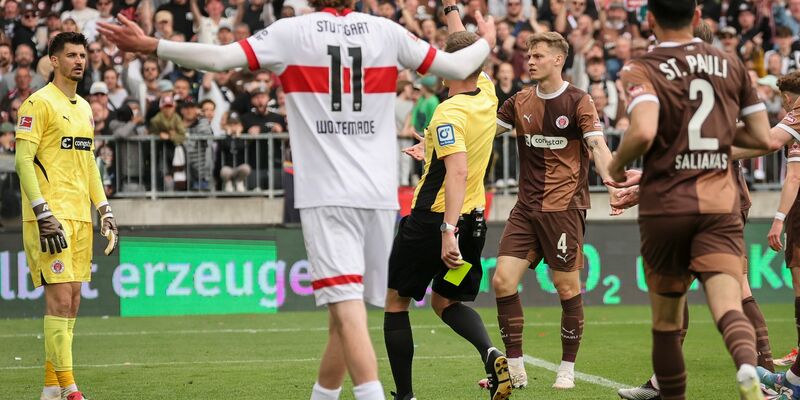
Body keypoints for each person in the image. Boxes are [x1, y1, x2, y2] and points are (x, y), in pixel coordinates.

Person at [99, 2, 496, 399]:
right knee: (344, 313)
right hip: (379, 196)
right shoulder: (385, 31)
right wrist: (487, 41)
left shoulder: (293, 32)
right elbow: (459, 66)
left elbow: (220, 58)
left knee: (347, 305)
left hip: (328, 194)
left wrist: (152, 44)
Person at [607, 1, 772, 399]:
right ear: (698, 18)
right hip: (720, 204)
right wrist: (713, 142)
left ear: (650, 19)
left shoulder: (641, 67)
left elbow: (644, 132)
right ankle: (749, 368)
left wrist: (616, 164)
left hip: (667, 207)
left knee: (666, 322)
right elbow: (763, 138)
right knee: (729, 305)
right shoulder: (732, 65)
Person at [384, 5, 509, 400]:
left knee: (396, 302)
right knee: (446, 300)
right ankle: (490, 354)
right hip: (474, 223)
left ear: (446, 68)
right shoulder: (486, 92)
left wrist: (445, 231)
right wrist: (452, 11)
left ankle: (405, 396)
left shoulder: (447, 113)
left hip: (435, 225)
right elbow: (467, 48)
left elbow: (456, 172)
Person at [491, 30, 619, 390]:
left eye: (538, 55)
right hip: (525, 207)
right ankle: (515, 365)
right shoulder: (518, 101)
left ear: (558, 60)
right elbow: (484, 133)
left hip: (564, 208)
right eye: (529, 55)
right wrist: (440, 142)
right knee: (502, 280)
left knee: (565, 287)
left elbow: (596, 144)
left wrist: (612, 181)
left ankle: (567, 368)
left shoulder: (579, 101)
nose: (530, 61)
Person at [13, 31, 118, 400]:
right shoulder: (37, 103)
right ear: (53, 61)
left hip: (79, 217)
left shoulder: (85, 108)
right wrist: (42, 212)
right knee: (58, 301)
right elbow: (22, 160)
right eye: (71, 55)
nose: (79, 61)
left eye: (83, 55)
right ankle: (72, 390)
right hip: (49, 217)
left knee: (72, 301)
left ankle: (50, 389)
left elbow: (88, 162)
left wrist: (103, 208)